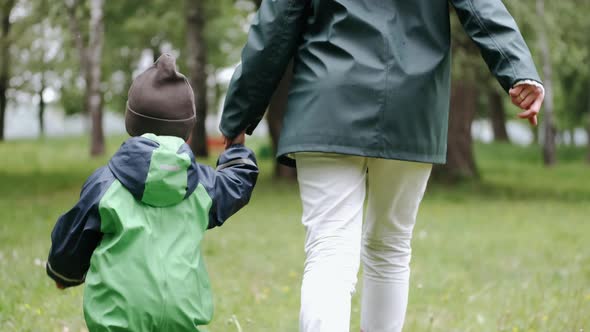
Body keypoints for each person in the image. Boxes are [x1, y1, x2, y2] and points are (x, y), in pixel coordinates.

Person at [220, 0, 544, 331]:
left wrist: (238, 115)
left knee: (329, 250)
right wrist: (518, 69)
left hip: (328, 102)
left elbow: (275, 24)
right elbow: (480, 5)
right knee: (389, 249)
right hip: (412, 104)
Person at [46, 54, 258, 331]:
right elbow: (236, 183)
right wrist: (236, 148)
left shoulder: (105, 184)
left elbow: (73, 236)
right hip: (182, 317)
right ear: (188, 131)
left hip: (117, 320)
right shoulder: (201, 186)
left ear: (130, 123)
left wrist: (64, 273)